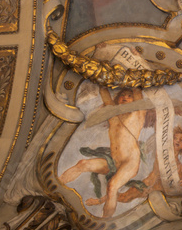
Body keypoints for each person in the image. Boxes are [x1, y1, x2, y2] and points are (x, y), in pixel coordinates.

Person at [59, 87, 148, 218]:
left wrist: (135, 87)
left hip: (130, 161)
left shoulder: (138, 114)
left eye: (129, 96)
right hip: (113, 160)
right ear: (117, 99)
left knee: (112, 187)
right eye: (122, 95)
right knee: (83, 164)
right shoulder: (112, 113)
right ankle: (57, 185)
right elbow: (104, 93)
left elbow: (138, 91)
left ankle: (105, 222)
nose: (125, 97)